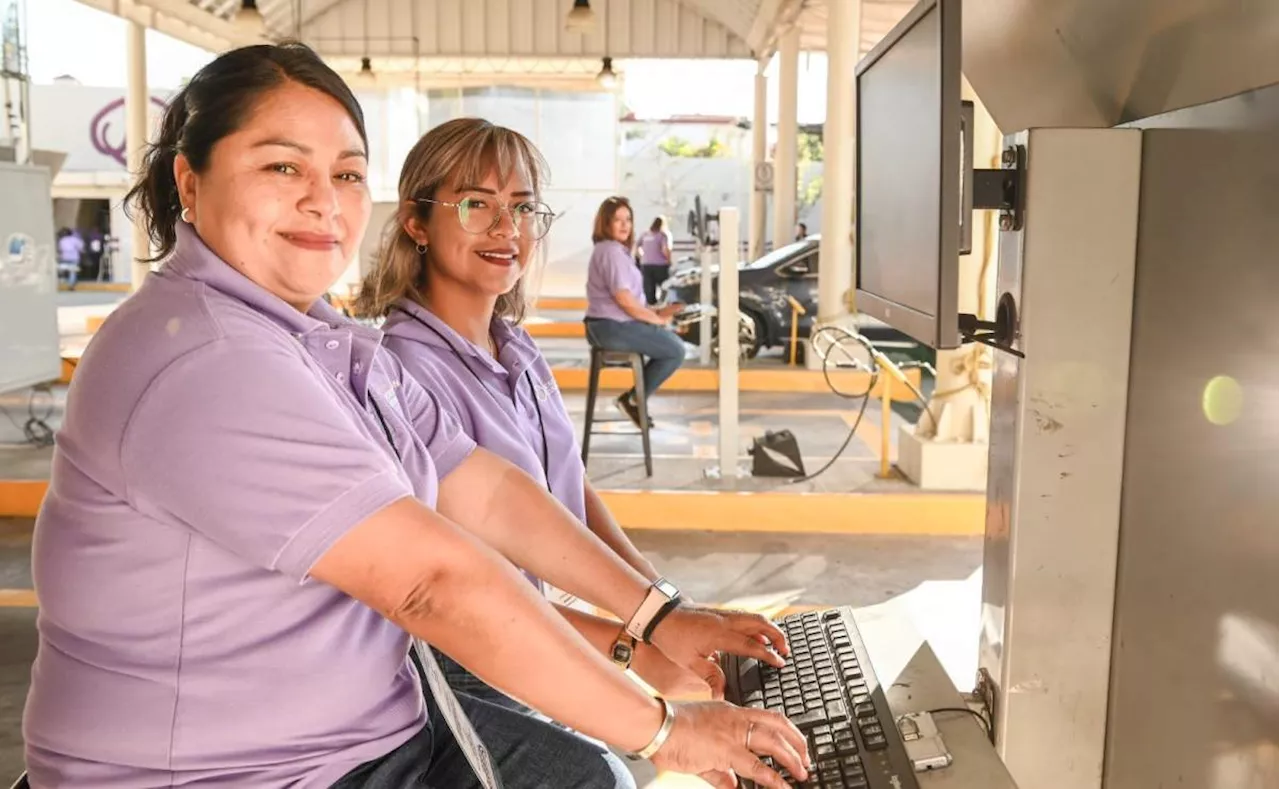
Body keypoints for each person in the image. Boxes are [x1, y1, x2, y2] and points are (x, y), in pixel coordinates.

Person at [21, 42, 810, 789]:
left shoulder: (321, 339)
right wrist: (665, 727)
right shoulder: (211, 358)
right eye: (280, 165)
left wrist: (662, 613)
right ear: (190, 184)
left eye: (347, 173)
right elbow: (433, 584)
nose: (322, 201)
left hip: (352, 738)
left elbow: (484, 489)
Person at [357, 118, 716, 713]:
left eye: (523, 208)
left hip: (548, 658)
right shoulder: (404, 375)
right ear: (417, 222)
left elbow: (570, 492)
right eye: (477, 204)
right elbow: (462, 601)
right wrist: (641, 647)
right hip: (472, 685)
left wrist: (669, 608)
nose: (507, 229)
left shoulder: (517, 350)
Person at [583, 196, 687, 428]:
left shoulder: (615, 251)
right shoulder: (610, 251)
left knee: (669, 343)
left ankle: (633, 400)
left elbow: (631, 300)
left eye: (628, 219)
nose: (624, 225)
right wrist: (656, 320)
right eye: (617, 219)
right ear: (605, 223)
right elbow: (623, 299)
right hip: (610, 328)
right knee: (675, 349)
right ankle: (632, 400)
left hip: (610, 326)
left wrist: (656, 311)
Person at [636, 216, 672, 305]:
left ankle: (651, 308)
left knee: (649, 289)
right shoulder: (662, 235)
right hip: (660, 266)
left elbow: (636, 246)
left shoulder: (645, 234)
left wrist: (642, 257)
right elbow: (665, 249)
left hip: (646, 265)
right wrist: (669, 260)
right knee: (665, 287)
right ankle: (663, 307)